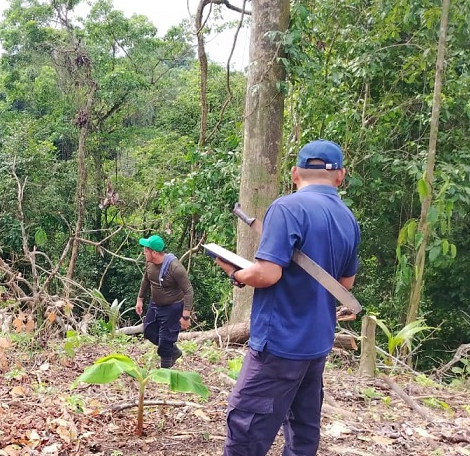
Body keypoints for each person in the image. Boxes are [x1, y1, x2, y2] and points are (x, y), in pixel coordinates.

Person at [214, 139, 360, 456]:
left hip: (279, 343)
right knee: (303, 430)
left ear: (295, 174)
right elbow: (345, 283)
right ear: (340, 177)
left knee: (247, 427)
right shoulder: (348, 219)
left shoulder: (287, 207)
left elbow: (267, 274)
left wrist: (236, 273)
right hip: (316, 343)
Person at [135, 234, 194, 368]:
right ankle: (172, 350)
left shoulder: (175, 268)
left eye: (146, 250)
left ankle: (165, 370)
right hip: (155, 304)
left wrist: (185, 316)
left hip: (173, 307)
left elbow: (188, 291)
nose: (144, 252)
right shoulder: (149, 263)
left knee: (166, 340)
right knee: (148, 331)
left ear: (154, 252)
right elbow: (146, 280)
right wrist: (140, 299)